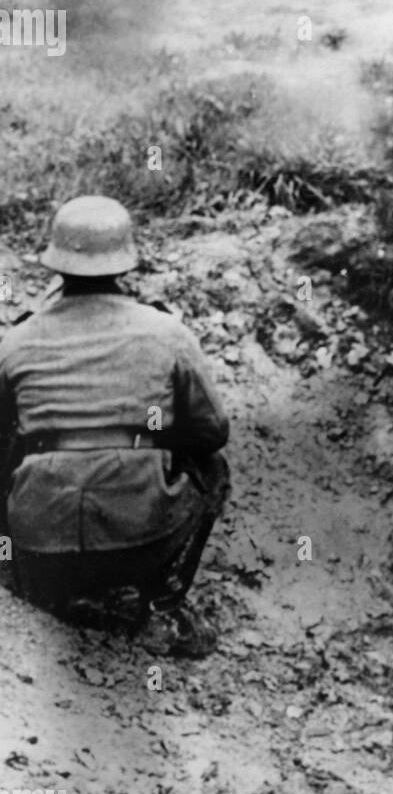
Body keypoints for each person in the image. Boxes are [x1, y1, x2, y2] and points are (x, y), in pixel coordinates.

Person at [0, 196, 230, 657]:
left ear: (55, 262)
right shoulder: (167, 333)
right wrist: (147, 441)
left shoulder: (16, 341)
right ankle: (162, 604)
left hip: (41, 542)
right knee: (214, 468)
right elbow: (212, 432)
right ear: (125, 262)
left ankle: (23, 577)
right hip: (138, 539)